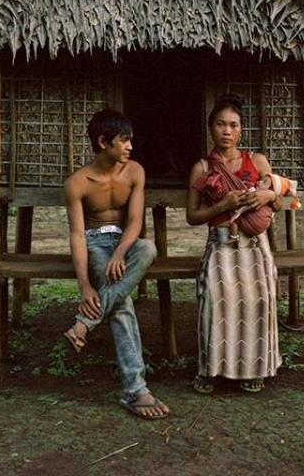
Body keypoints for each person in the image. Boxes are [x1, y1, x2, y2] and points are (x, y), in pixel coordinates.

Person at [62, 109, 169, 420]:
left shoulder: (135, 172)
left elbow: (136, 221)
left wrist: (121, 253)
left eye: (130, 141)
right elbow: (78, 237)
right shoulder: (77, 183)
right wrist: (84, 285)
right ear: (103, 142)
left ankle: (84, 324)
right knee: (121, 303)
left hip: (124, 242)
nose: (130, 147)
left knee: (148, 248)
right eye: (124, 141)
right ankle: (136, 391)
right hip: (95, 243)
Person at [186, 95, 283, 395]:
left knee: (259, 301)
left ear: (241, 130)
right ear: (210, 129)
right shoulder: (201, 168)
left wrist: (269, 197)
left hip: (254, 247)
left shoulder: (257, 161)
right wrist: (222, 206)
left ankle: (255, 369)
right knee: (216, 300)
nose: (227, 131)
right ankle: (210, 369)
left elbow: (283, 201)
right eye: (220, 124)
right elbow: (192, 216)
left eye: (233, 125)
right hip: (221, 247)